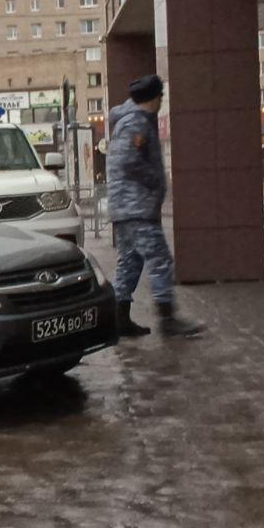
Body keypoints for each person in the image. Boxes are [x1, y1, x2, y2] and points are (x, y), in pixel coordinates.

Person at [107, 74, 204, 338]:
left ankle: (119, 318)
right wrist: (153, 181)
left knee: (130, 261)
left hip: (126, 208)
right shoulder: (136, 123)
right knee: (160, 259)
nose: (162, 100)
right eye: (161, 96)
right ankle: (168, 320)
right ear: (154, 98)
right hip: (136, 207)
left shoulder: (129, 121)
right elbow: (129, 161)